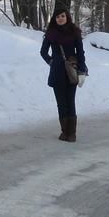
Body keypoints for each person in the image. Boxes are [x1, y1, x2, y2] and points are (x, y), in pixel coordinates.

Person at [40, 8, 88, 142]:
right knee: (61, 103)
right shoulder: (51, 33)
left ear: (67, 17)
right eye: (57, 17)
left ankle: (71, 134)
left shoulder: (74, 32)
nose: (60, 18)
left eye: (62, 16)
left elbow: (80, 53)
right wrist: (51, 62)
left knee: (70, 102)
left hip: (71, 72)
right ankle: (65, 132)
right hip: (57, 73)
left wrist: (82, 70)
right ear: (54, 19)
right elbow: (43, 52)